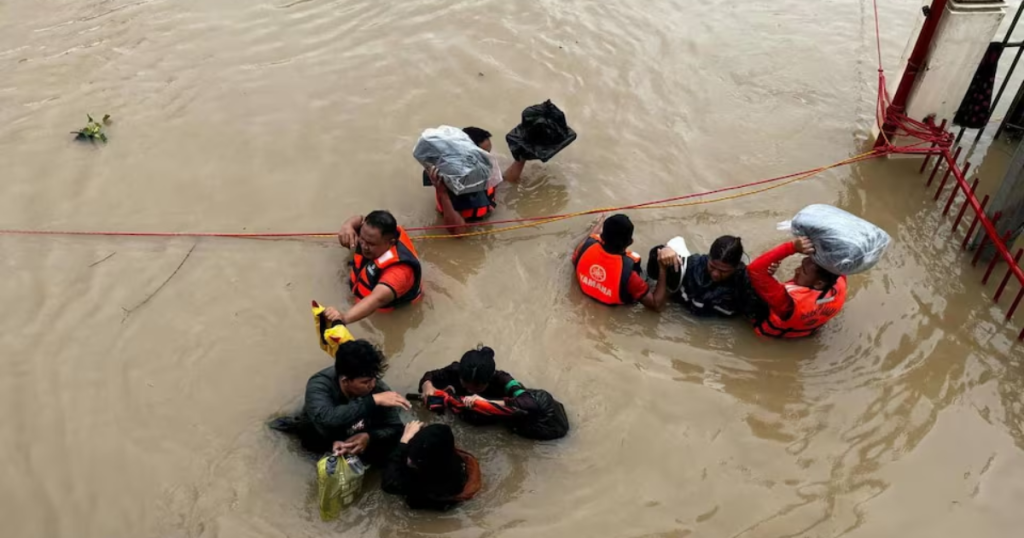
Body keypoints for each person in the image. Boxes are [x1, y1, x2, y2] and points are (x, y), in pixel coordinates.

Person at [269, 340, 412, 465]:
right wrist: (372, 401)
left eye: (374, 378)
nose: (372, 385)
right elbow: (326, 419)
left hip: (355, 436)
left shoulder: (378, 388)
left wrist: (369, 437)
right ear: (345, 381)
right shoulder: (319, 385)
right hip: (317, 434)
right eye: (366, 382)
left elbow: (395, 427)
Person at [418, 346, 569, 439]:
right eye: (466, 385)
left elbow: (529, 403)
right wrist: (427, 387)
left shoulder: (503, 380)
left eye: (476, 387)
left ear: (489, 380)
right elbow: (430, 376)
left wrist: (486, 403)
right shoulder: (455, 370)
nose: (470, 390)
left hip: (498, 415)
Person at [426, 126, 525, 235]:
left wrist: (521, 157)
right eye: (483, 154)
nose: (488, 158)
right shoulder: (453, 179)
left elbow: (502, 182)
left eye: (488, 153)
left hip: (485, 215)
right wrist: (442, 193)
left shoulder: (481, 166)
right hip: (467, 226)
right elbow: (459, 233)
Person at [747, 237, 848, 338]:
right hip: (807, 332)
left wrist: (791, 247)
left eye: (803, 271)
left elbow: (755, 270)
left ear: (818, 284)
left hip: (772, 336)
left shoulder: (788, 303)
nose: (796, 270)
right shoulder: (840, 282)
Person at [336, 210, 422, 324]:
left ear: (391, 243)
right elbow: (360, 219)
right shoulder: (371, 231)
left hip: (387, 316)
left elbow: (376, 299)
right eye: (362, 239)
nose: (364, 246)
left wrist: (343, 319)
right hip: (363, 289)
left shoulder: (399, 272)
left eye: (371, 244)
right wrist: (348, 225)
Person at [571, 214, 668, 309]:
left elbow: (586, 243)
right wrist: (663, 268)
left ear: (601, 235)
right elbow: (655, 304)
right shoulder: (630, 275)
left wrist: (598, 224)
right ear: (630, 242)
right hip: (612, 309)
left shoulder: (584, 248)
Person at [382, 421, 481, 511]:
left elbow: (388, 484)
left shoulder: (418, 485)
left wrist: (404, 441)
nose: (409, 460)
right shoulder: (453, 459)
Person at [647, 235, 753, 317]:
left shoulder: (745, 284)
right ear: (708, 257)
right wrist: (665, 249)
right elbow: (676, 242)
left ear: (735, 267)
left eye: (723, 271)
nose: (715, 274)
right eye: (712, 266)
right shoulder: (690, 266)